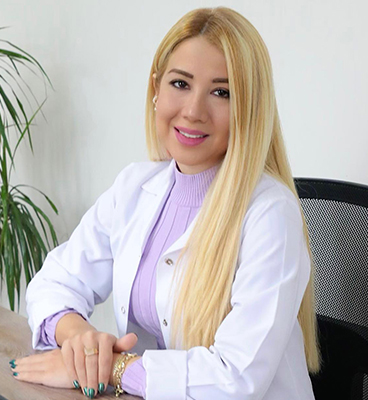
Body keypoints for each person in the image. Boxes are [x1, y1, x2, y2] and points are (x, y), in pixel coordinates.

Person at [10, 6, 320, 400]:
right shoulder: (135, 187)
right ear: (156, 89)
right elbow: (56, 281)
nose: (193, 111)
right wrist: (80, 342)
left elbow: (235, 378)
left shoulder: (271, 215)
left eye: (221, 92)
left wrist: (115, 368)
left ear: (249, 108)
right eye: (180, 84)